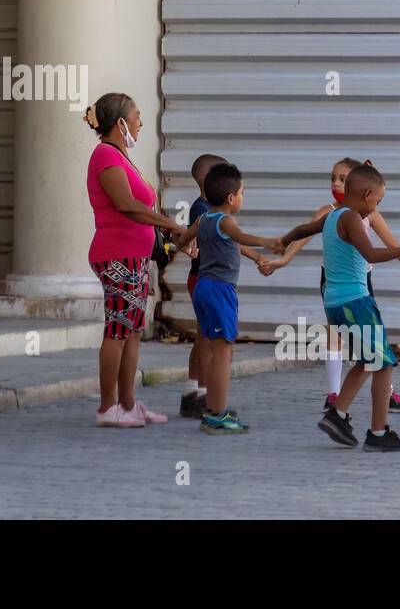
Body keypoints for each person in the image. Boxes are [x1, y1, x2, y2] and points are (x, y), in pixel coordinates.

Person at [259, 157, 400, 413]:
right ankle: (336, 396)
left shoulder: (369, 214)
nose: (336, 184)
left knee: (371, 346)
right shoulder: (331, 213)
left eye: (342, 178)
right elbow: (303, 235)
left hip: (362, 283)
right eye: (333, 178)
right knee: (347, 340)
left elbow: (391, 246)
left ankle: (381, 395)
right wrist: (282, 258)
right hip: (338, 284)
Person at [84, 93, 184, 428]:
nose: (141, 123)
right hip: (117, 256)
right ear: (121, 123)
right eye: (137, 116)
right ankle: (107, 407)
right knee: (117, 329)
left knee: (132, 331)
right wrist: (170, 224)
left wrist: (169, 237)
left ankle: (127, 405)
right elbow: (125, 204)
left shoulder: (121, 157)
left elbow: (141, 208)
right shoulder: (105, 156)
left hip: (136, 257)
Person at [171, 162, 282, 433]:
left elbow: (182, 241)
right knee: (223, 352)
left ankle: (211, 406)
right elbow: (240, 236)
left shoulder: (203, 219)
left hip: (202, 288)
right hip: (221, 290)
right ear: (231, 198)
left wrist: (189, 248)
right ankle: (217, 414)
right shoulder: (226, 221)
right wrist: (269, 243)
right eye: (242, 192)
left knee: (211, 348)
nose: (243, 197)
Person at [178, 153, 225, 419]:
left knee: (202, 337)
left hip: (200, 279)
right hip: (206, 279)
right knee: (208, 340)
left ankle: (191, 391)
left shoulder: (206, 208)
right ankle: (205, 395)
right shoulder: (204, 210)